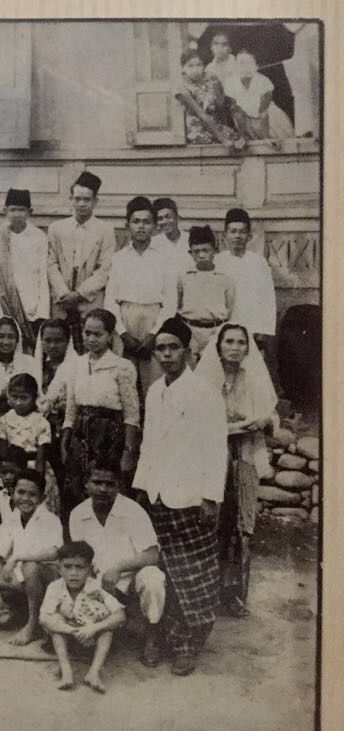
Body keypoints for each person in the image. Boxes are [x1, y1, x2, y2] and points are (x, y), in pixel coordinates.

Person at [133, 317, 228, 675]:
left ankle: (189, 644)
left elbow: (216, 448)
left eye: (174, 348)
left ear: (188, 351)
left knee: (193, 574)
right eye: (161, 348)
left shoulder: (204, 392)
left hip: (190, 496)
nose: (167, 354)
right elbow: (148, 443)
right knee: (161, 572)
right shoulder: (155, 390)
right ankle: (156, 635)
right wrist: (142, 487)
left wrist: (209, 497)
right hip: (158, 495)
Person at [196, 323, 277, 618]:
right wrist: (239, 425)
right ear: (218, 347)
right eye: (229, 341)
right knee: (211, 521)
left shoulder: (253, 379)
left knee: (241, 524)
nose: (235, 347)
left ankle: (233, 595)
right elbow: (200, 424)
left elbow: (271, 416)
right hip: (212, 457)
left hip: (244, 455)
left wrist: (263, 421)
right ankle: (204, 590)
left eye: (241, 342)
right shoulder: (204, 381)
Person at [68, 461, 166, 666]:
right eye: (97, 482)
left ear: (119, 485)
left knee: (153, 578)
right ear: (86, 483)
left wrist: (118, 568)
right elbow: (78, 555)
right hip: (96, 580)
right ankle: (109, 630)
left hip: (130, 578)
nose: (103, 489)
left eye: (109, 484)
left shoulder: (133, 511)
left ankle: (152, 635)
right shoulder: (78, 514)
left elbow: (152, 555)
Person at [61, 308, 140, 507]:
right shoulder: (76, 364)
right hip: (81, 438)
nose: (91, 339)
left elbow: (131, 414)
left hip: (110, 437)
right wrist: (65, 441)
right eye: (87, 333)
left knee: (107, 490)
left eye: (98, 334)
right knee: (80, 490)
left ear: (110, 336)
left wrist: (128, 452)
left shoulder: (122, 366)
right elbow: (71, 409)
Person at [105, 196, 175, 394]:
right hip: (124, 322)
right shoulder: (118, 259)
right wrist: (123, 334)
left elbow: (170, 303)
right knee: (124, 383)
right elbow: (111, 301)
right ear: (127, 225)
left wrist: (153, 334)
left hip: (155, 322)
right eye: (136, 221)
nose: (141, 227)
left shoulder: (164, 259)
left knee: (154, 382)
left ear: (154, 226)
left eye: (146, 222)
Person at [39, 540, 127, 693]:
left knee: (107, 629)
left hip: (92, 638)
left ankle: (93, 673)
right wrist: (73, 631)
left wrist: (94, 628)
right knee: (55, 621)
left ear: (90, 569)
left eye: (80, 567)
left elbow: (120, 615)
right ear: (59, 569)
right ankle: (66, 671)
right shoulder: (54, 587)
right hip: (67, 636)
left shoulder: (96, 587)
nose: (73, 573)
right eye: (67, 567)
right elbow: (44, 618)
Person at [0, 469, 63, 645]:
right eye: (21, 492)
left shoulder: (49, 519)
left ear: (42, 498)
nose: (25, 498)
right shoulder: (10, 521)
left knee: (30, 566)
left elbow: (55, 552)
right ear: (12, 493)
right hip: (22, 579)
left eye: (32, 494)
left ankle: (33, 625)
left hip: (48, 579)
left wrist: (17, 557)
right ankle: (18, 612)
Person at [47, 171, 115, 352]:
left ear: (95, 201)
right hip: (62, 303)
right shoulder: (56, 228)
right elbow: (51, 264)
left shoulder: (105, 230)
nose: (81, 204)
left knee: (90, 349)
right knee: (60, 350)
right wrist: (64, 294)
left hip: (89, 301)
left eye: (87, 199)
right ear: (71, 199)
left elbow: (105, 269)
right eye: (77, 199)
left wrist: (79, 294)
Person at [0, 189, 51, 351]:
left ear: (29, 212)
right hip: (4, 306)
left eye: (21, 210)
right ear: (5, 211)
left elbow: (43, 278)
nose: (16, 214)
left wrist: (42, 314)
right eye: (12, 210)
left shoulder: (39, 238)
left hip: (31, 309)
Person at [0, 373, 59, 514]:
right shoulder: (4, 420)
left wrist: (37, 480)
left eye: (23, 398)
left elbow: (41, 456)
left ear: (34, 398)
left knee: (37, 508)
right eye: (14, 397)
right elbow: (3, 453)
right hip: (13, 468)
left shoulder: (41, 421)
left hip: (34, 467)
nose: (18, 402)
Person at [216, 208, 277, 346]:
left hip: (252, 329)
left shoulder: (259, 263)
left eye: (242, 232)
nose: (237, 236)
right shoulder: (217, 262)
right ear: (225, 235)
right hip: (224, 330)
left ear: (249, 236)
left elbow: (268, 300)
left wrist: (262, 332)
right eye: (233, 231)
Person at [176, 225, 236, 363]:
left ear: (215, 251)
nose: (201, 255)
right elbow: (177, 305)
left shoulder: (225, 277)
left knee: (212, 372)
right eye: (196, 251)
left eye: (205, 250)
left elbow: (230, 309)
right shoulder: (183, 276)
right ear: (190, 253)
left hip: (215, 332)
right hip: (190, 332)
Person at [34, 320, 77, 487]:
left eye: (58, 340)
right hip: (39, 433)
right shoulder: (36, 368)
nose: (52, 345)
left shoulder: (75, 366)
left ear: (68, 341)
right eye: (48, 340)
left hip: (66, 432)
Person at [222, 50, 294, 141]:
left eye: (249, 63)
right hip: (246, 121)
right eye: (241, 63)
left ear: (256, 66)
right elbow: (235, 110)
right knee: (238, 115)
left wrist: (266, 138)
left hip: (269, 120)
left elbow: (263, 112)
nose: (245, 67)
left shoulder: (264, 81)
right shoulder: (230, 83)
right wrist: (243, 135)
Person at [177, 50, 243, 147]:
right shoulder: (182, 88)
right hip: (198, 129)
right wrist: (223, 139)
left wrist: (217, 86)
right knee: (227, 144)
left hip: (216, 126)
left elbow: (221, 105)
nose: (195, 69)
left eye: (199, 65)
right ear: (183, 68)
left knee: (240, 141)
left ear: (204, 66)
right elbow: (201, 114)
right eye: (190, 66)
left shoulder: (209, 78)